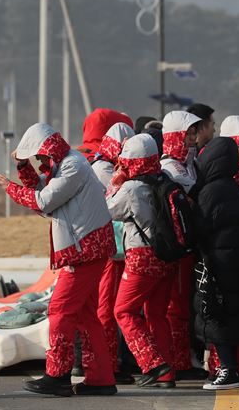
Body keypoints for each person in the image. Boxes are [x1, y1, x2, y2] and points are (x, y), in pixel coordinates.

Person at [0, 123, 117, 396]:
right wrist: (23, 166)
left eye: (40, 157)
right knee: (85, 316)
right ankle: (101, 379)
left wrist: (7, 186)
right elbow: (41, 191)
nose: (40, 162)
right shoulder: (66, 165)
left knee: (60, 311)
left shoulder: (72, 166)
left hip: (84, 251)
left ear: (50, 149)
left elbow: (43, 201)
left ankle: (58, 375)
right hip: (89, 248)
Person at [108, 134, 175, 388]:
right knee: (157, 314)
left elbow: (108, 211)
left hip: (141, 257)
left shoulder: (131, 188)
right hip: (167, 256)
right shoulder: (164, 179)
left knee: (123, 311)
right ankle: (168, 373)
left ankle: (153, 364)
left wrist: (115, 182)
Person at [193, 137, 239, 390]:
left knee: (216, 310)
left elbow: (202, 227)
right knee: (230, 309)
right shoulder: (231, 186)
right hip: (232, 257)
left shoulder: (211, 190)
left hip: (217, 260)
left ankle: (228, 369)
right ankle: (230, 368)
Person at [90, 122, 134, 383]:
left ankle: (111, 361)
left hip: (113, 249)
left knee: (110, 308)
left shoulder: (105, 167)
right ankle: (109, 365)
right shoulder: (104, 170)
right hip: (110, 251)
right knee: (105, 309)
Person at [160, 110, 203, 377]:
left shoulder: (188, 162)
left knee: (185, 304)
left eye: (193, 133)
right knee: (175, 306)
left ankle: (185, 357)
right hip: (177, 247)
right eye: (187, 133)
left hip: (191, 245)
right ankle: (178, 362)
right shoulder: (168, 167)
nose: (192, 139)